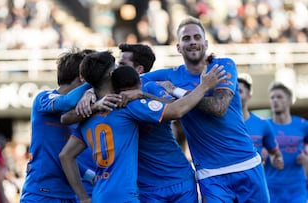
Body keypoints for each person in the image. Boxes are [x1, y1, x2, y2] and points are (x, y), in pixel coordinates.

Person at [58, 51, 226, 203]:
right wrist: (204, 86)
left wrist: (83, 198)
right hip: (129, 195)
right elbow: (177, 110)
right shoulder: (126, 105)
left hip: (101, 194)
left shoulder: (86, 116)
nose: (120, 70)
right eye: (118, 66)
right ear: (110, 74)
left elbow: (65, 154)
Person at [140, 16, 270, 202]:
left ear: (206, 43)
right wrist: (88, 92)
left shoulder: (222, 66)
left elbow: (219, 107)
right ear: (178, 47)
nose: (192, 42)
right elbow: (129, 80)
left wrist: (177, 92)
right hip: (210, 175)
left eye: (196, 37)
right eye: (186, 38)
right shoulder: (170, 75)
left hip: (246, 164)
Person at [117, 43, 196, 202]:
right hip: (147, 187)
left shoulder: (151, 87)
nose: (116, 68)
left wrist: (142, 95)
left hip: (179, 178)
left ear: (138, 69)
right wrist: (88, 94)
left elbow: (174, 107)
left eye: (122, 64)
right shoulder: (111, 93)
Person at [20, 48, 102, 203]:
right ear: (82, 78)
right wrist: (93, 83)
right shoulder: (43, 98)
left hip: (68, 196)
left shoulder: (74, 113)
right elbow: (67, 101)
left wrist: (93, 177)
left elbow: (65, 158)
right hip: (41, 194)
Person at [265, 82, 308, 203]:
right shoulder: (264, 126)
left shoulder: (303, 125)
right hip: (271, 188)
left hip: (297, 189)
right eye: (272, 97)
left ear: (289, 101)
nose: (275, 100)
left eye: (279, 97)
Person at [238, 73, 284, 169]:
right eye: (233, 91)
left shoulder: (262, 124)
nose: (235, 95)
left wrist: (275, 160)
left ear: (249, 96)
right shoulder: (221, 124)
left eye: (240, 91)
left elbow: (275, 154)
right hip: (230, 182)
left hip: (255, 182)